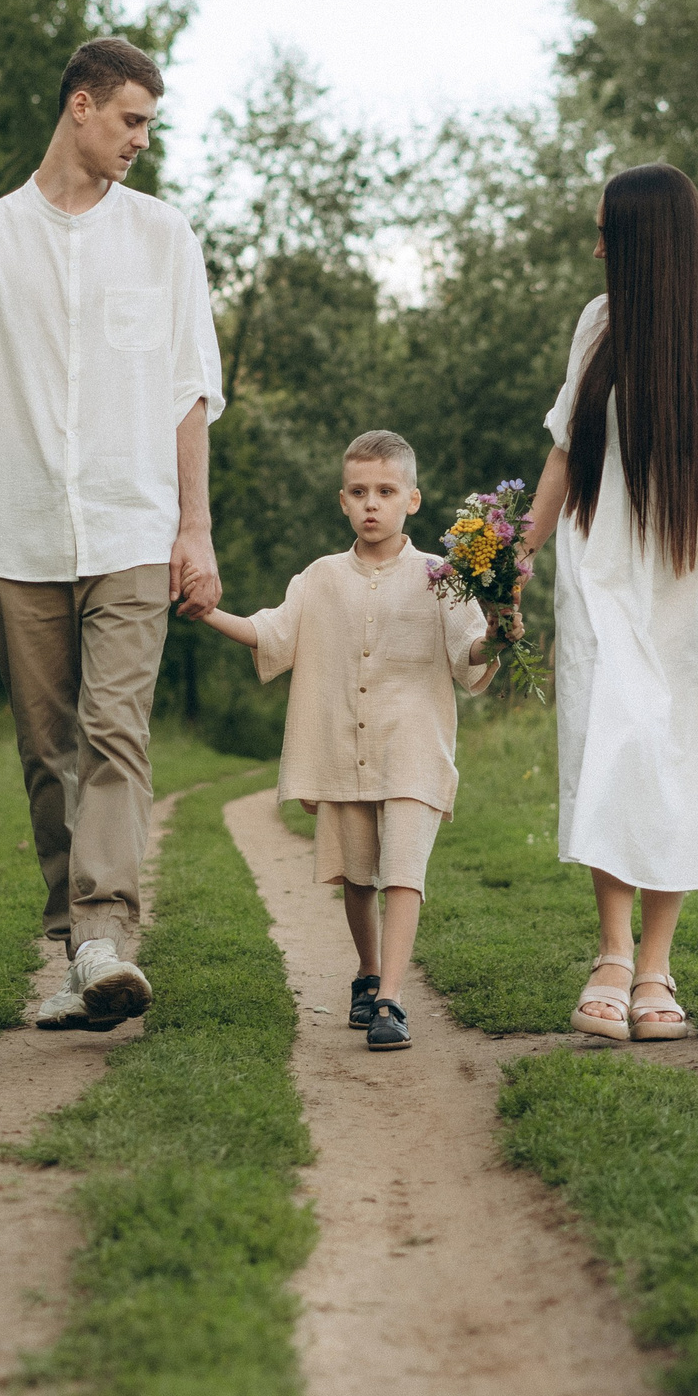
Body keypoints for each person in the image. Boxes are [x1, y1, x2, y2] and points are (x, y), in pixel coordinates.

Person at [0, 36, 226, 1032]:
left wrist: (193, 530)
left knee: (115, 733)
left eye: (150, 124)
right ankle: (80, 951)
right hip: (12, 534)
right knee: (47, 753)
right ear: (80, 105)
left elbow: (187, 396)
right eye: (130, 119)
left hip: (130, 526)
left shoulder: (163, 238)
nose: (141, 141)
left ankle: (107, 935)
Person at [521, 163, 698, 1042]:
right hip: (604, 562)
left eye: (611, 231)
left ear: (650, 239)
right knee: (614, 741)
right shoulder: (599, 324)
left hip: (694, 565)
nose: (600, 245)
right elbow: (568, 452)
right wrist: (509, 556)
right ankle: (610, 953)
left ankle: (655, 967)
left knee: (673, 750)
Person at [198, 431, 500, 1051]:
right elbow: (272, 632)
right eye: (360, 492)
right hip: (343, 746)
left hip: (413, 745)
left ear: (412, 500)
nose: (372, 504)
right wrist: (204, 613)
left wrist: (501, 630)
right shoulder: (319, 578)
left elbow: (469, 654)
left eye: (386, 492)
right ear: (342, 501)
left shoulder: (441, 577)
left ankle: (391, 998)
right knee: (358, 875)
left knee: (403, 872)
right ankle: (367, 972)